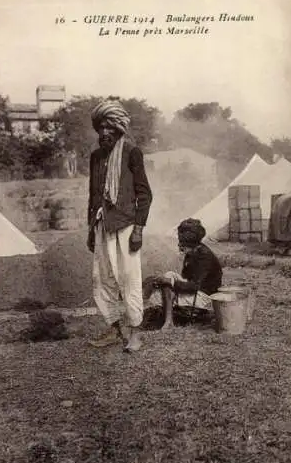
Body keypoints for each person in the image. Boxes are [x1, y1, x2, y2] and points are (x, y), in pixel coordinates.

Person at [87, 99, 153, 351]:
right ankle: (114, 330)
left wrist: (138, 229)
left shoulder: (131, 152)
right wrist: (90, 230)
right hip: (102, 225)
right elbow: (93, 196)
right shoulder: (95, 157)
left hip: (126, 225)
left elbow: (144, 194)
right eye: (101, 128)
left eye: (109, 128)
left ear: (119, 128)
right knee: (102, 280)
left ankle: (136, 333)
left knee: (129, 279)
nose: (104, 133)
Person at [143, 218, 222, 330]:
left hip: (204, 296)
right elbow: (186, 277)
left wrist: (171, 283)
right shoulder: (193, 251)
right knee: (168, 275)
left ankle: (168, 321)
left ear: (189, 242)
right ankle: (167, 318)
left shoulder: (204, 256)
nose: (179, 245)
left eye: (182, 242)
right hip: (194, 288)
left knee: (167, 284)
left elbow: (194, 286)